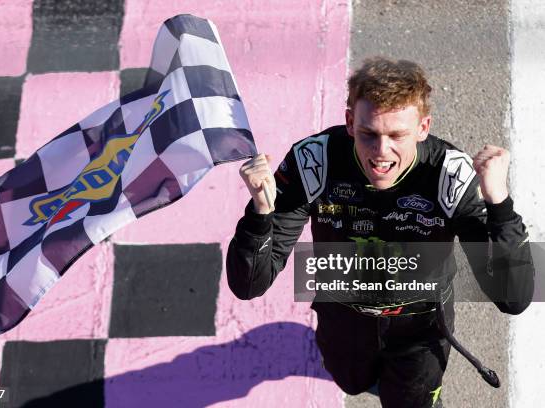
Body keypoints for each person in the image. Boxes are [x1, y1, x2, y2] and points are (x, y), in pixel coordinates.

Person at [226, 57, 535, 408]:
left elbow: (514, 298)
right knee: (352, 383)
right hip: (342, 319)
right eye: (369, 133)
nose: (381, 152)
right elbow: (248, 285)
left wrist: (500, 204)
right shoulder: (313, 163)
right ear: (348, 122)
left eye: (396, 136)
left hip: (421, 329)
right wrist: (260, 214)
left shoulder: (451, 175)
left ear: (423, 127)